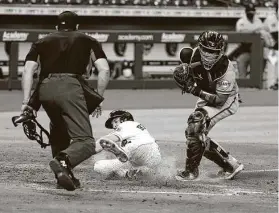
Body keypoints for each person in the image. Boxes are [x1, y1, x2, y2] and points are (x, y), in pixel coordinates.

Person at [21, 11, 112, 191]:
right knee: (85, 143)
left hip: (45, 89)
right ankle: (63, 161)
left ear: (56, 27)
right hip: (71, 87)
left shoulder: (41, 42)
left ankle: (63, 175)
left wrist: (27, 102)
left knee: (60, 132)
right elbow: (105, 70)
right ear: (77, 27)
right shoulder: (88, 40)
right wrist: (98, 97)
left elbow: (28, 71)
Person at [174, 31, 244, 181]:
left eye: (213, 52)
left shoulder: (226, 69)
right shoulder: (190, 56)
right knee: (195, 135)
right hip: (206, 95)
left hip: (226, 100)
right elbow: (186, 72)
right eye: (206, 50)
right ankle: (230, 165)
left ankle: (191, 172)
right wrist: (184, 76)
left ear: (220, 51)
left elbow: (219, 100)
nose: (208, 55)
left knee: (196, 123)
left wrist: (194, 89)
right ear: (199, 47)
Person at [93, 110, 162, 179]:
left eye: (116, 121)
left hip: (136, 149)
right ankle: (138, 172)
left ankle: (126, 172)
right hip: (155, 155)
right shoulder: (139, 127)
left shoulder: (126, 124)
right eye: (112, 124)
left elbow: (108, 139)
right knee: (147, 169)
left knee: (98, 166)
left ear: (125, 119)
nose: (114, 126)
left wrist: (92, 148)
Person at [235, 4, 264, 78]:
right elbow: (242, 35)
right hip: (244, 50)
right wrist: (254, 31)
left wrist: (251, 31)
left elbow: (262, 33)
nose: (251, 13)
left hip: (256, 51)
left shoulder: (258, 21)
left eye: (252, 11)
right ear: (246, 12)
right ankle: (243, 85)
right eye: (249, 11)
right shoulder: (241, 22)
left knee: (256, 75)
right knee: (241, 64)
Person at [263, 3, 278, 90]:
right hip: (273, 48)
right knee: (272, 67)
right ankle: (271, 85)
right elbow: (264, 32)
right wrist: (269, 41)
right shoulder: (270, 19)